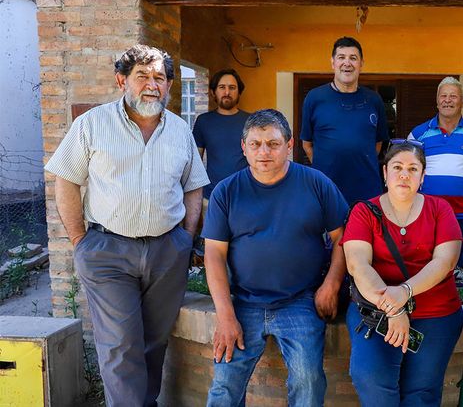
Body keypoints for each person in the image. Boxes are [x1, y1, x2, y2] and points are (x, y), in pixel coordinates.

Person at [44, 44, 209, 407]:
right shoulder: (92, 124)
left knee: (154, 342)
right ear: (122, 81)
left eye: (160, 78)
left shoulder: (180, 130)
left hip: (168, 251)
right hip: (108, 252)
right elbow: (66, 180)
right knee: (121, 344)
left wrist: (185, 237)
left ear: (169, 85)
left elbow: (193, 186)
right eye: (142, 76)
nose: (152, 85)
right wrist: (79, 240)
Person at [204, 109, 349, 406]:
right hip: (244, 302)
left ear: (289, 145)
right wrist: (225, 315)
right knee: (224, 383)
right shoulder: (226, 191)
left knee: (308, 379)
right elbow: (214, 254)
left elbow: (343, 238)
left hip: (300, 301)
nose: (264, 152)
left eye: (273, 143)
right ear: (244, 147)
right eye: (255, 144)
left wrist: (332, 284)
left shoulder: (316, 183)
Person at [342, 140, 463, 406]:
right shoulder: (364, 212)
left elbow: (445, 261)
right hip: (376, 311)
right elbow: (357, 265)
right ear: (385, 173)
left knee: (421, 393)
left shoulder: (440, 209)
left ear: (423, 176)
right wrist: (394, 309)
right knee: (371, 379)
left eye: (413, 169)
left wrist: (405, 292)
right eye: (397, 167)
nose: (404, 175)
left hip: (436, 311)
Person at [408, 76, 463, 270]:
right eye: (443, 96)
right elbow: (409, 170)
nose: (447, 100)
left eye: (453, 96)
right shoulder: (417, 135)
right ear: (437, 101)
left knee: (460, 267)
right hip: (426, 214)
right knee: (425, 264)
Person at [300, 36, 390, 205]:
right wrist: (327, 166)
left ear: (361, 63)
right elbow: (307, 144)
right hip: (326, 189)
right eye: (341, 57)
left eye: (353, 58)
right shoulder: (314, 98)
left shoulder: (374, 100)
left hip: (367, 190)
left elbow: (378, 144)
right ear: (333, 62)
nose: (347, 63)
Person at [192, 69, 250, 217]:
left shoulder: (251, 121)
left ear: (239, 92)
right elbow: (195, 163)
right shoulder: (203, 121)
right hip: (211, 197)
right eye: (222, 87)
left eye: (232, 87)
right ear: (213, 92)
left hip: (245, 196)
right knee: (212, 233)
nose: (227, 92)